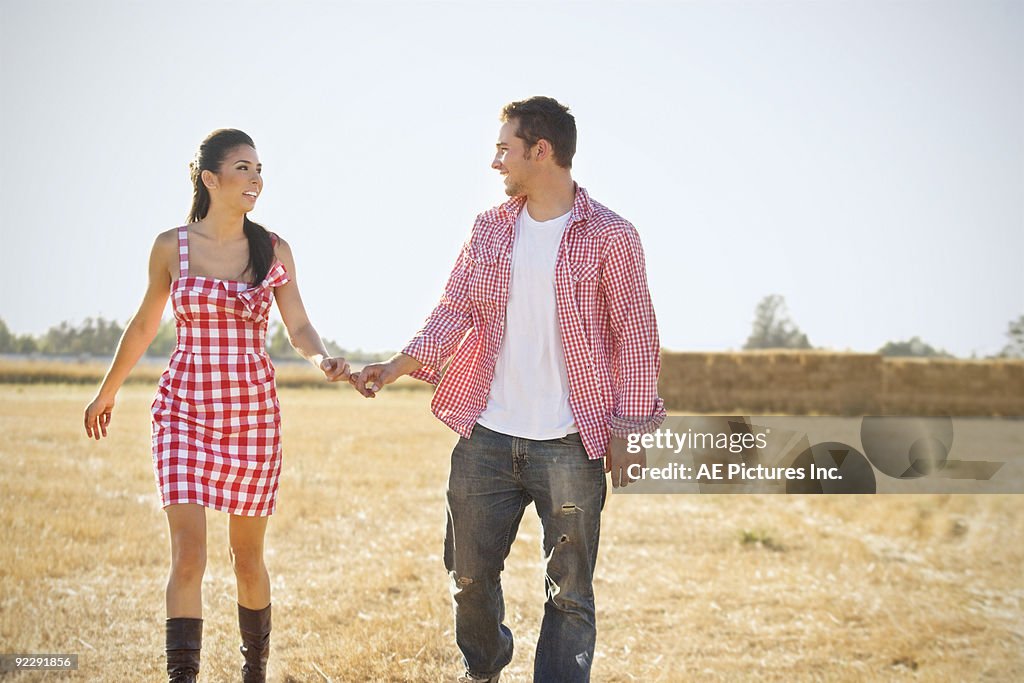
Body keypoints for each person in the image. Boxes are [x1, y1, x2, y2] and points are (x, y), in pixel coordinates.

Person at [352, 97, 665, 683]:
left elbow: (637, 334)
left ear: (540, 151)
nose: (495, 161)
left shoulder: (613, 236)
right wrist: (398, 364)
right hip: (488, 437)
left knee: (570, 592)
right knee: (468, 577)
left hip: (572, 442)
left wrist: (629, 428)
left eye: (504, 149)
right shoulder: (490, 229)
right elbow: (455, 308)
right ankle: (487, 666)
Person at [83, 129, 351, 683]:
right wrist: (107, 391)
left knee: (247, 559)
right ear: (210, 178)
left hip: (252, 416)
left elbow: (298, 324)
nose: (256, 179)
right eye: (243, 168)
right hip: (183, 412)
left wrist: (322, 358)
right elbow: (142, 326)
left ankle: (255, 671)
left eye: (259, 169)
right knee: (188, 556)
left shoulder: (273, 249)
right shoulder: (170, 247)